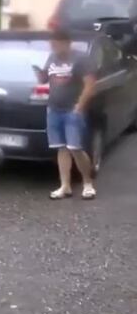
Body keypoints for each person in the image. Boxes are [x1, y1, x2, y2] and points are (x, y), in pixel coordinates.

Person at [34, 29, 97, 200]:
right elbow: (44, 80)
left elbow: (90, 85)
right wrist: (40, 75)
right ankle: (65, 186)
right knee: (61, 148)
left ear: (66, 43)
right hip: (54, 109)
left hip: (72, 109)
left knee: (75, 147)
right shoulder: (52, 58)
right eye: (52, 45)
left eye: (56, 45)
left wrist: (79, 107)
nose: (54, 49)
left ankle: (87, 183)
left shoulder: (81, 58)